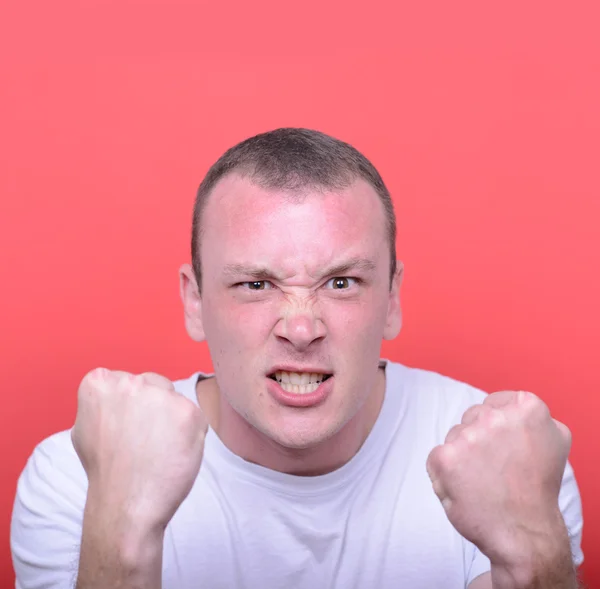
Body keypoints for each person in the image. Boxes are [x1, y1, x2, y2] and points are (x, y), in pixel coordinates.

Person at [11, 128, 584, 589]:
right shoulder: (79, 480)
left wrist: (531, 555)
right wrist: (124, 530)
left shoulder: (508, 458)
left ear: (391, 298)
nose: (302, 328)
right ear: (194, 300)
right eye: (256, 285)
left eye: (341, 282)